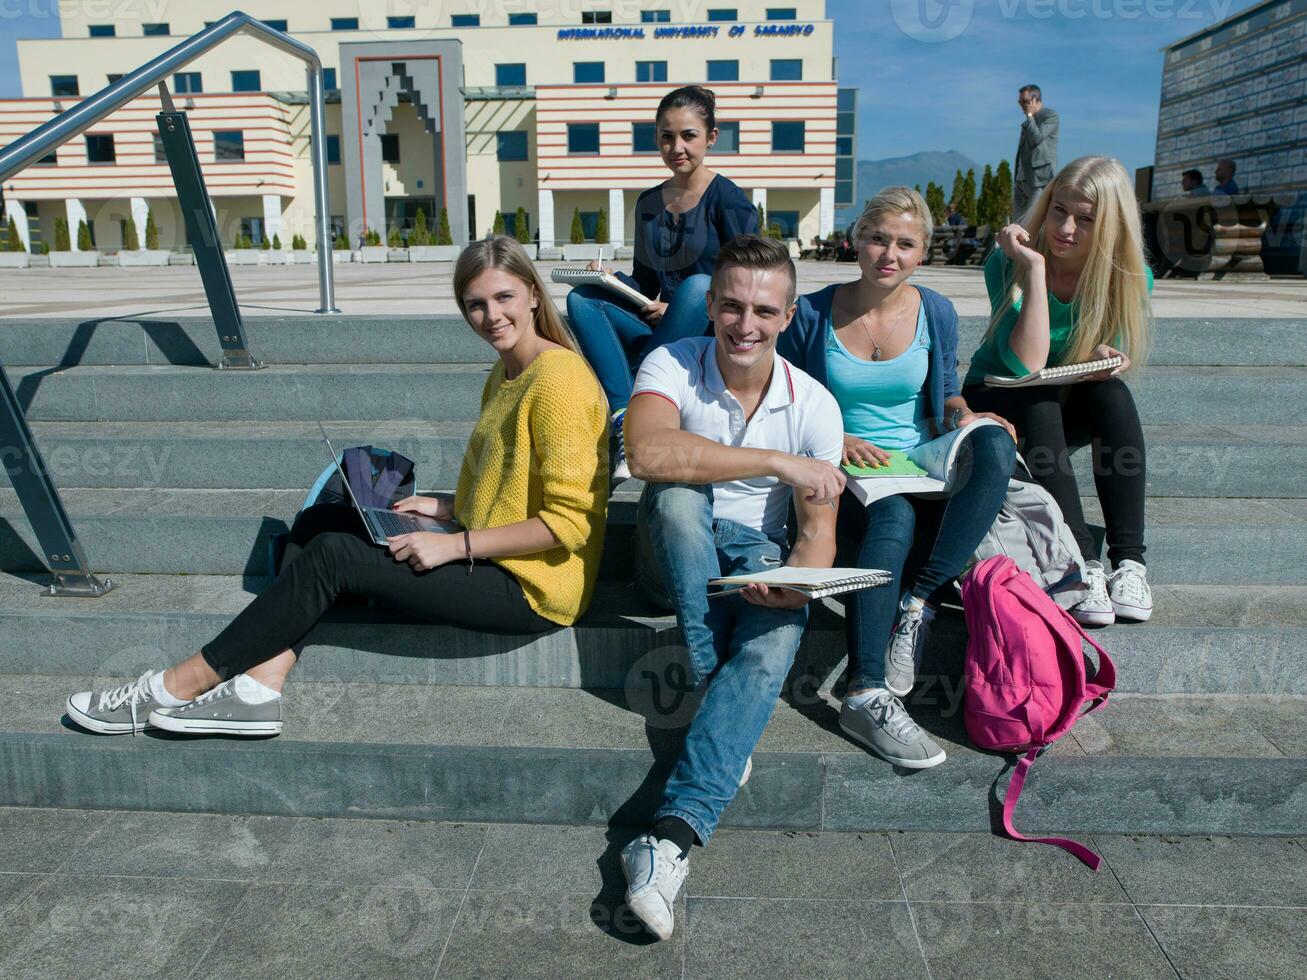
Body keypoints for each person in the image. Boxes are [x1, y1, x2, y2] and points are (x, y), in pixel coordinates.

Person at [65, 236, 610, 736]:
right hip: (488, 551)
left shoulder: (559, 382)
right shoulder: (506, 373)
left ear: (535, 296)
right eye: (475, 303)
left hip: (534, 589)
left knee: (331, 556)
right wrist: (443, 506)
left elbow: (567, 524)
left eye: (504, 297)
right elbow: (510, 486)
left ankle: (173, 686)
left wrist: (453, 544)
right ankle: (259, 687)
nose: (491, 315)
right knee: (321, 519)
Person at [618, 236, 844, 941]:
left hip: (753, 558)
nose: (746, 325)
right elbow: (647, 452)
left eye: (764, 311)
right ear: (712, 305)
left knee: (778, 635)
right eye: (733, 307)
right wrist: (775, 460)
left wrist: (799, 586)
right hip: (666, 552)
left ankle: (667, 840)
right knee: (680, 500)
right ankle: (724, 701)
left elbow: (816, 535)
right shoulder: (671, 363)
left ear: (788, 314)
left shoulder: (815, 405)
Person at [779, 187, 1016, 769]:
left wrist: (965, 415)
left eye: (904, 244)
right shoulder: (812, 312)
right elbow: (786, 392)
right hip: (846, 467)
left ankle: (920, 599)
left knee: (994, 440)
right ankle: (863, 689)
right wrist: (834, 436)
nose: (889, 253)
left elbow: (947, 390)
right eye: (878, 238)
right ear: (856, 239)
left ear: (921, 252)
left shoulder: (934, 309)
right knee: (894, 515)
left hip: (921, 455)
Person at [963, 156, 1155, 627]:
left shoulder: (1129, 278)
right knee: (1038, 395)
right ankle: (1082, 564)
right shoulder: (1006, 265)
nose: (1065, 227)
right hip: (999, 396)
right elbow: (1025, 364)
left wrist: (1110, 356)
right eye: (1058, 211)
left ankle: (1129, 563)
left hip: (1062, 398)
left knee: (1114, 396)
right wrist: (1031, 267)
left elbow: (1097, 350)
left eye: (1085, 219)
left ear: (1110, 226)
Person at [565, 84, 759, 481]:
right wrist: (609, 279)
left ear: (711, 138)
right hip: (660, 327)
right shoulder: (649, 203)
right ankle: (626, 413)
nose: (677, 147)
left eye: (689, 135)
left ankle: (631, 393)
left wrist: (686, 307)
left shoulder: (730, 200)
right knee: (582, 298)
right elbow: (645, 283)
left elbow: (750, 284)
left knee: (696, 286)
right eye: (666, 136)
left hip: (710, 327)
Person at [1014, 84, 1060, 217]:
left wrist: (1029, 116)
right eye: (1020, 102)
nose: (1022, 105)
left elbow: (1037, 138)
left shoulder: (1050, 116)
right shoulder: (1029, 121)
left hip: (1039, 179)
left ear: (1035, 99)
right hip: (1021, 179)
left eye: (1025, 101)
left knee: (1032, 220)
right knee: (1017, 222)